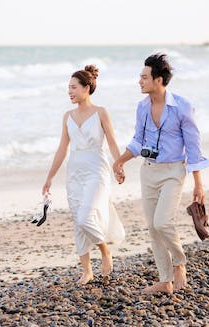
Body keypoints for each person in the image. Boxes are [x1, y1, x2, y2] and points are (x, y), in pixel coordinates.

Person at [113, 53, 209, 294]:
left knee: (162, 222)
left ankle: (179, 262)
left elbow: (194, 148)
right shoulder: (142, 107)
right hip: (148, 171)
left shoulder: (182, 107)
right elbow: (138, 140)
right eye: (140, 76)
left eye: (144, 77)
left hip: (173, 172)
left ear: (158, 80)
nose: (139, 81)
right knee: (152, 226)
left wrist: (198, 184)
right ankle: (165, 280)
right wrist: (120, 161)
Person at [43, 65, 125, 286]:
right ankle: (87, 270)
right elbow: (62, 149)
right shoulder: (67, 116)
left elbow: (112, 142)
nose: (69, 92)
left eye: (73, 87)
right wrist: (50, 177)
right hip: (74, 172)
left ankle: (104, 250)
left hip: (97, 170)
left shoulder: (100, 112)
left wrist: (118, 165)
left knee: (85, 216)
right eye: (68, 88)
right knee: (78, 222)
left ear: (86, 88)